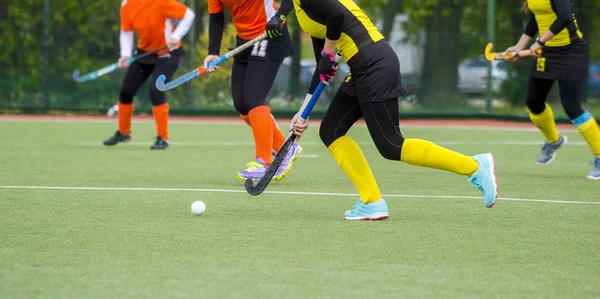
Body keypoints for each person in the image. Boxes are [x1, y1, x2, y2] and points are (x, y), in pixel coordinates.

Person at [288, 0, 499, 220]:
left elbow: (336, 16)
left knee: (391, 145)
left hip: (373, 64)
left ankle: (475, 166)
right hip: (363, 67)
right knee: (331, 130)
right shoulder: (300, 9)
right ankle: (371, 201)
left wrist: (328, 54)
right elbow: (323, 66)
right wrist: (303, 112)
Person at [203, 0, 302, 182]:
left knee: (254, 99)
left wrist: (279, 16)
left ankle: (264, 163)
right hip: (244, 42)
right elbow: (216, 18)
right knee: (241, 103)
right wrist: (213, 51)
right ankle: (285, 147)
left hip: (268, 35)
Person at [504, 0, 600, 180]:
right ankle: (554, 141)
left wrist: (539, 41)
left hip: (572, 52)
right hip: (547, 52)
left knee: (572, 108)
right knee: (533, 101)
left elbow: (564, 17)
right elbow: (536, 19)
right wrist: (519, 47)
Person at [103, 0, 195, 150]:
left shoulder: (161, 2)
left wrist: (176, 36)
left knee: (156, 90)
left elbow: (189, 15)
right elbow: (126, 31)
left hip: (168, 54)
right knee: (126, 91)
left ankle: (163, 138)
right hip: (144, 54)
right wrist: (125, 54)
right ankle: (123, 132)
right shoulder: (126, 5)